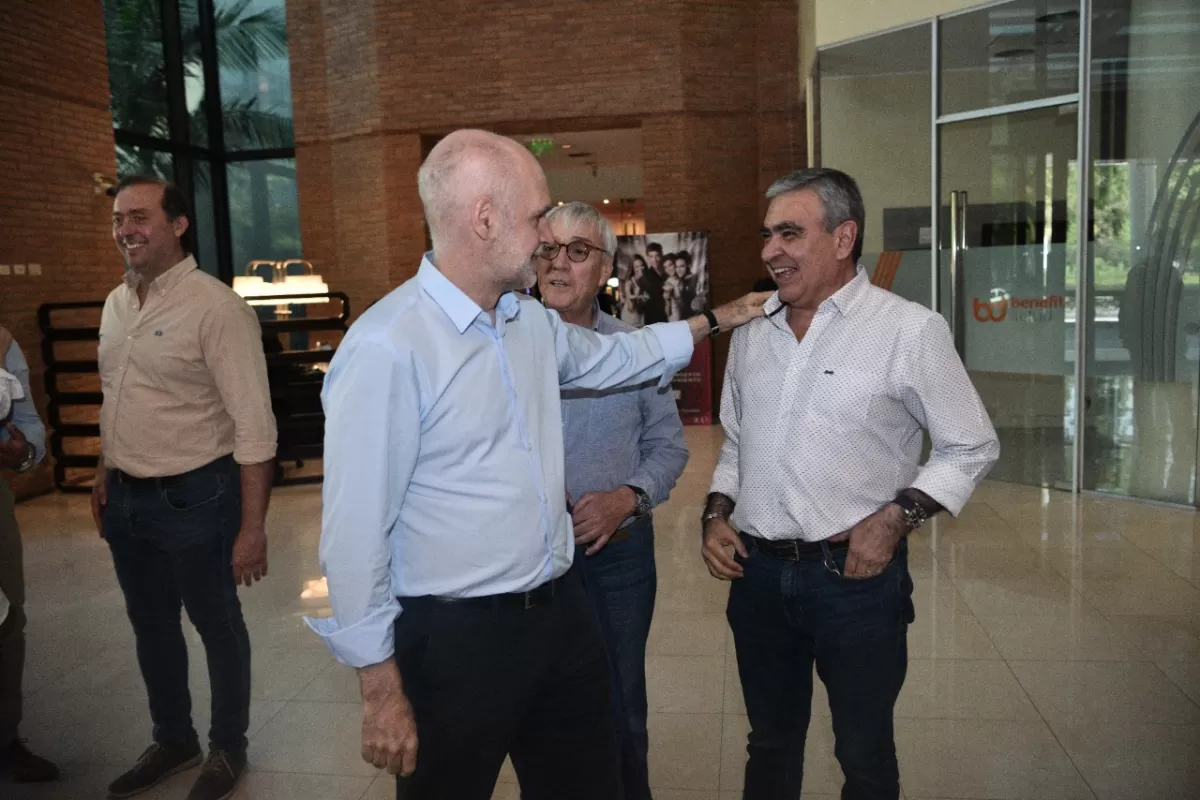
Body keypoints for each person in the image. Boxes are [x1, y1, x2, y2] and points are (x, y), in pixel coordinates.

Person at [308, 129, 769, 800]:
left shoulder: (527, 324)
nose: (545, 237)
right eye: (536, 218)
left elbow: (619, 359)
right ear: (485, 219)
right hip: (456, 636)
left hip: (561, 613)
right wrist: (380, 689)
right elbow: (352, 535)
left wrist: (715, 320)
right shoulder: (387, 346)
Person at [702, 168, 999, 800]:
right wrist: (716, 513)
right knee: (770, 744)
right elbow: (738, 441)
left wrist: (896, 519)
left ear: (844, 238)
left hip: (856, 585)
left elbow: (971, 443)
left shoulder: (908, 331)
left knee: (863, 753)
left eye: (789, 233)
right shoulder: (755, 331)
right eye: (766, 235)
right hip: (756, 579)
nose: (769, 251)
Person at [92, 175, 278, 800]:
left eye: (139, 217)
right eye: (119, 219)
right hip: (126, 499)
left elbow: (255, 427)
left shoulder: (216, 308)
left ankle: (228, 748)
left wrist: (253, 528)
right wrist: (102, 472)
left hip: (197, 499)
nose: (126, 230)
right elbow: (114, 397)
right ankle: (174, 738)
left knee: (217, 625)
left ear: (178, 224)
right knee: (150, 626)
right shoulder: (117, 304)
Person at [536, 202, 689, 800]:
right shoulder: (499, 350)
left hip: (616, 560)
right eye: (548, 249)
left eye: (577, 251)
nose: (558, 264)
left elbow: (668, 449)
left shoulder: (637, 350)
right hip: (525, 566)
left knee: (621, 706)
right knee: (540, 711)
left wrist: (627, 499)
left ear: (604, 269)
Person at [0, 326, 59, 785]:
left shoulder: (1, 342)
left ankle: (5, 740)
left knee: (4, 620)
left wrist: (23, 452)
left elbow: (30, 424)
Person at [641, 243, 668, 324]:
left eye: (657, 256)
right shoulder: (645, 276)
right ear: (647, 258)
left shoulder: (667, 272)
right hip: (652, 318)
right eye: (651, 256)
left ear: (661, 255)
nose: (654, 259)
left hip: (668, 317)